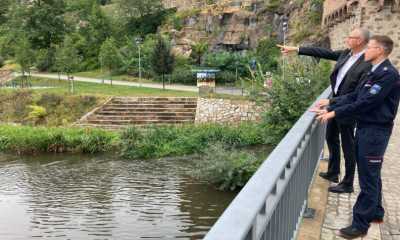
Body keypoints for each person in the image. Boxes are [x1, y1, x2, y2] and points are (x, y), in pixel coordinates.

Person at [312, 35, 400, 239]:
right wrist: (331, 102)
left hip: (375, 131)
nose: (365, 51)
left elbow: (366, 103)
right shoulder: (374, 70)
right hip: (366, 128)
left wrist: (334, 113)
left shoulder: (387, 74)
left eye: (369, 48)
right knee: (372, 174)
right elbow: (355, 96)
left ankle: (360, 224)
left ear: (379, 50)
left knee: (368, 178)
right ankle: (376, 213)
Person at [277, 29, 372, 194]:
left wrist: (332, 102)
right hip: (335, 103)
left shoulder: (367, 63)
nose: (347, 38)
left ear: (360, 41)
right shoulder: (346, 54)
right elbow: (324, 53)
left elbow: (357, 93)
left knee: (348, 146)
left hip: (347, 107)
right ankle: (333, 172)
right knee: (331, 137)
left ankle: (348, 183)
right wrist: (298, 49)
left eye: (351, 37)